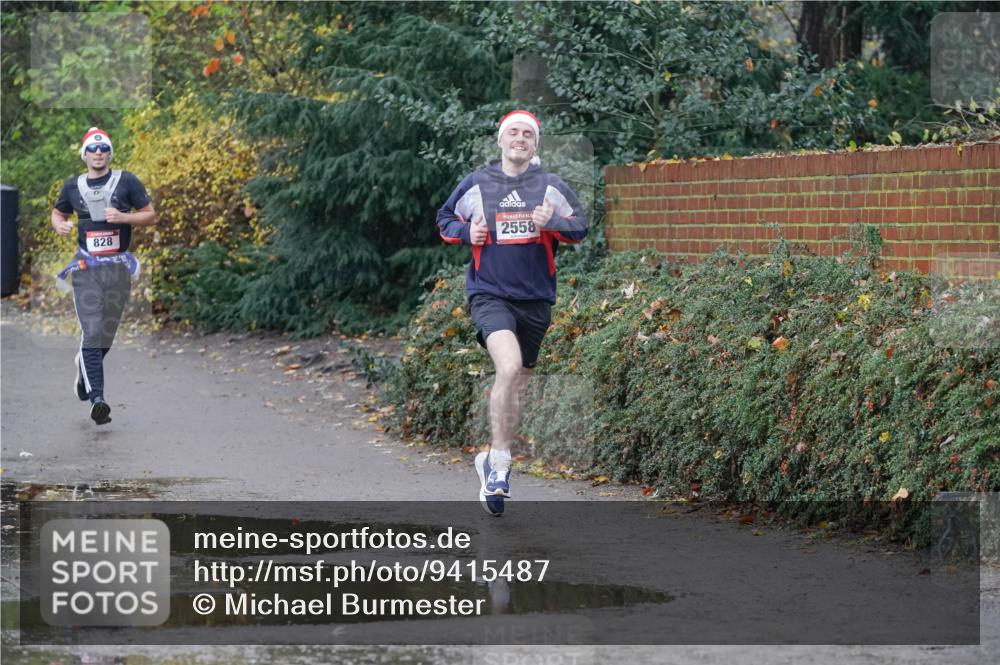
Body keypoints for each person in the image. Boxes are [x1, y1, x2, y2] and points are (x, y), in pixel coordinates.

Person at [436, 110, 588, 515]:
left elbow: (580, 226)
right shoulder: (478, 183)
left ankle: (490, 458)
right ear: (501, 141)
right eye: (513, 133)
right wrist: (467, 232)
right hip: (490, 295)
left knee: (517, 384)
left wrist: (552, 221)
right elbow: (444, 218)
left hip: (536, 299)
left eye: (527, 134)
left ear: (535, 144)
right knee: (508, 366)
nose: (520, 139)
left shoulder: (550, 185)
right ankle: (501, 465)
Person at [51, 127, 156, 425]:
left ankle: (83, 367)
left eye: (104, 148)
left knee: (106, 335)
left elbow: (150, 215)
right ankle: (98, 399)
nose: (98, 153)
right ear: (84, 154)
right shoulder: (72, 186)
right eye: (93, 149)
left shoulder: (127, 181)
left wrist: (124, 217)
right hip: (86, 270)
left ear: (110, 154)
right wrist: (60, 225)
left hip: (118, 270)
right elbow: (58, 213)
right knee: (93, 331)